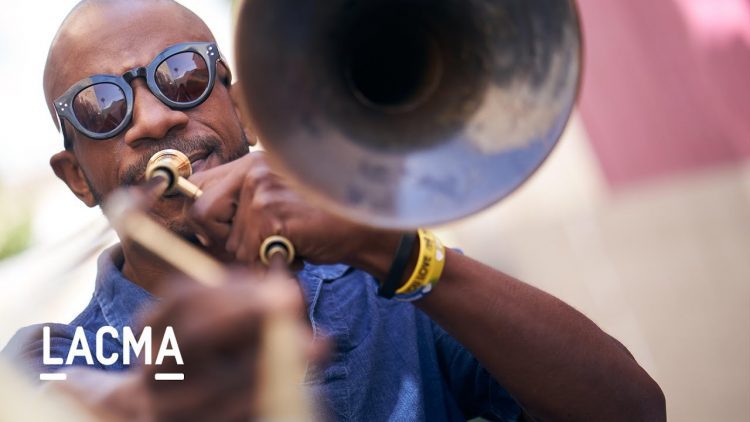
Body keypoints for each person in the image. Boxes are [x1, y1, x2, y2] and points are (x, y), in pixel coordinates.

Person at [3, 0, 665, 420]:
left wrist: (400, 253)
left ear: (243, 110)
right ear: (77, 180)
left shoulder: (391, 282)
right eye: (100, 108)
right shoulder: (55, 353)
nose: (154, 118)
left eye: (183, 75)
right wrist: (157, 390)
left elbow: (632, 410)